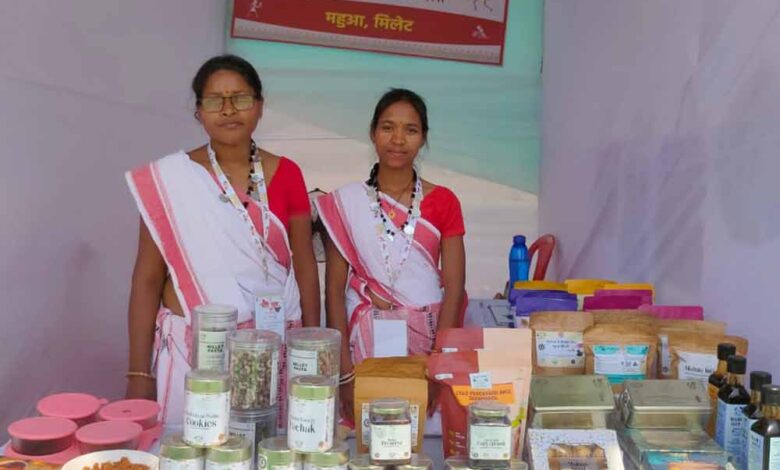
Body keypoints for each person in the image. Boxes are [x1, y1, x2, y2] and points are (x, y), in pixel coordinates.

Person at [124, 54, 319, 425]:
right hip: (190, 351)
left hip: (270, 347)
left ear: (259, 106)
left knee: (264, 445)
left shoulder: (287, 173)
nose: (229, 110)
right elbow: (147, 279)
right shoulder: (169, 180)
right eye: (215, 100)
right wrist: (138, 373)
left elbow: (306, 267)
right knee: (188, 447)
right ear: (198, 111)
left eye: (240, 98)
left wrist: (311, 355)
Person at [315, 88, 466, 421]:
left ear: (423, 137)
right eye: (388, 128)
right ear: (373, 133)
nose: (398, 139)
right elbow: (334, 292)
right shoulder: (347, 204)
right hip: (363, 348)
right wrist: (345, 374)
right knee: (368, 432)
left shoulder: (443, 201)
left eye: (410, 130)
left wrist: (437, 367)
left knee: (418, 433)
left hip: (425, 345)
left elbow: (455, 289)